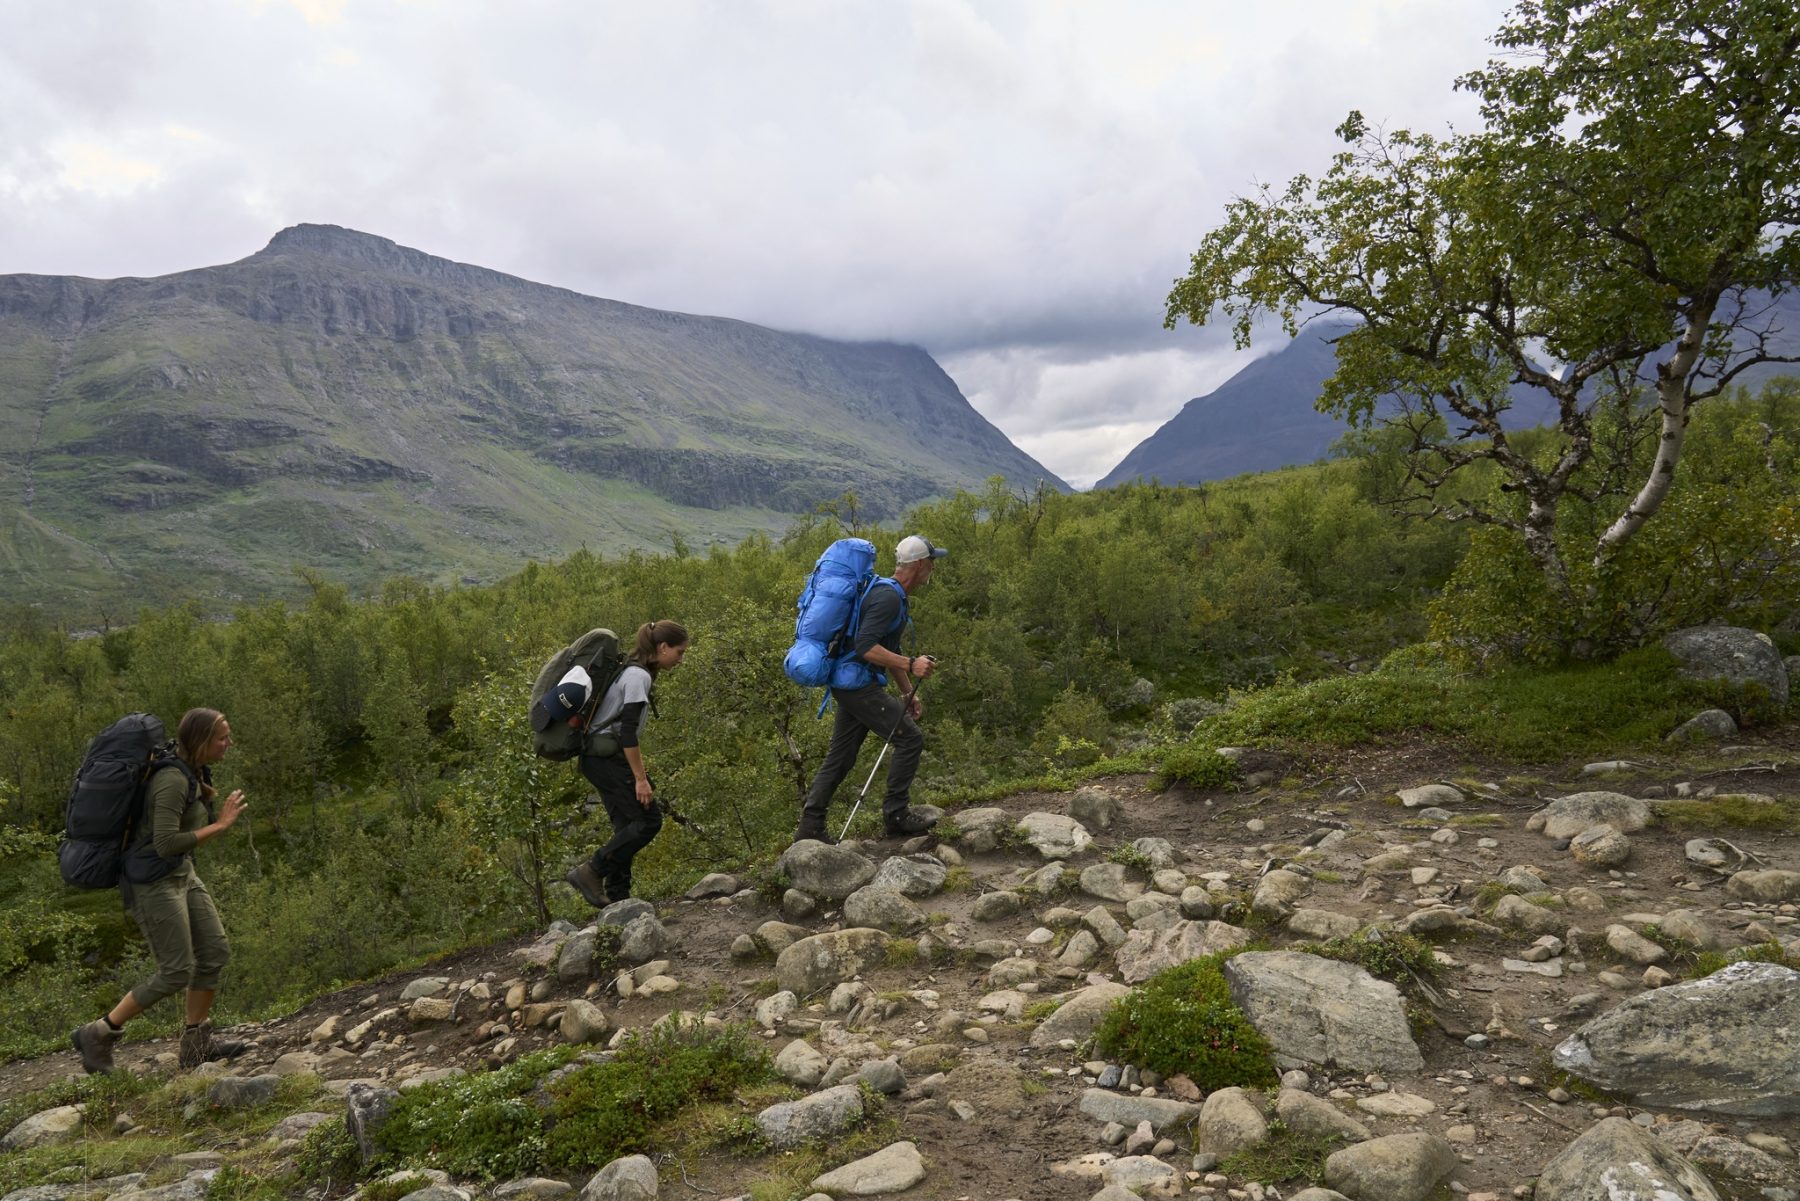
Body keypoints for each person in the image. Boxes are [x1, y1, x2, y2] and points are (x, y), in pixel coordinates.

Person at [71, 708, 250, 1074]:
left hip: (181, 873)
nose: (228, 743)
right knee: (175, 970)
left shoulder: (193, 769)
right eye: (222, 738)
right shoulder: (171, 779)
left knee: (214, 952)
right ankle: (98, 1032)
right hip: (153, 881)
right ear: (202, 740)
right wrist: (221, 825)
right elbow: (165, 843)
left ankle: (196, 1044)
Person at [795, 534, 945, 843]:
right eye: (932, 562)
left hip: (849, 683)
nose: (933, 568)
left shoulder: (889, 593)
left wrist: (907, 691)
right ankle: (897, 815)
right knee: (910, 739)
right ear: (919, 564)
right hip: (857, 685)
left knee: (841, 757)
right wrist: (912, 663)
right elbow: (866, 647)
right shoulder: (889, 597)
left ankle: (810, 828)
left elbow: (888, 647)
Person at [563, 620, 689, 906]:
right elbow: (627, 733)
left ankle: (618, 896)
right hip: (607, 759)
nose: (681, 659)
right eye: (679, 652)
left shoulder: (631, 670)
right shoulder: (638, 676)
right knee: (648, 821)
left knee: (626, 825)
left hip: (595, 758)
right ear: (663, 647)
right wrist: (640, 779)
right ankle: (591, 871)